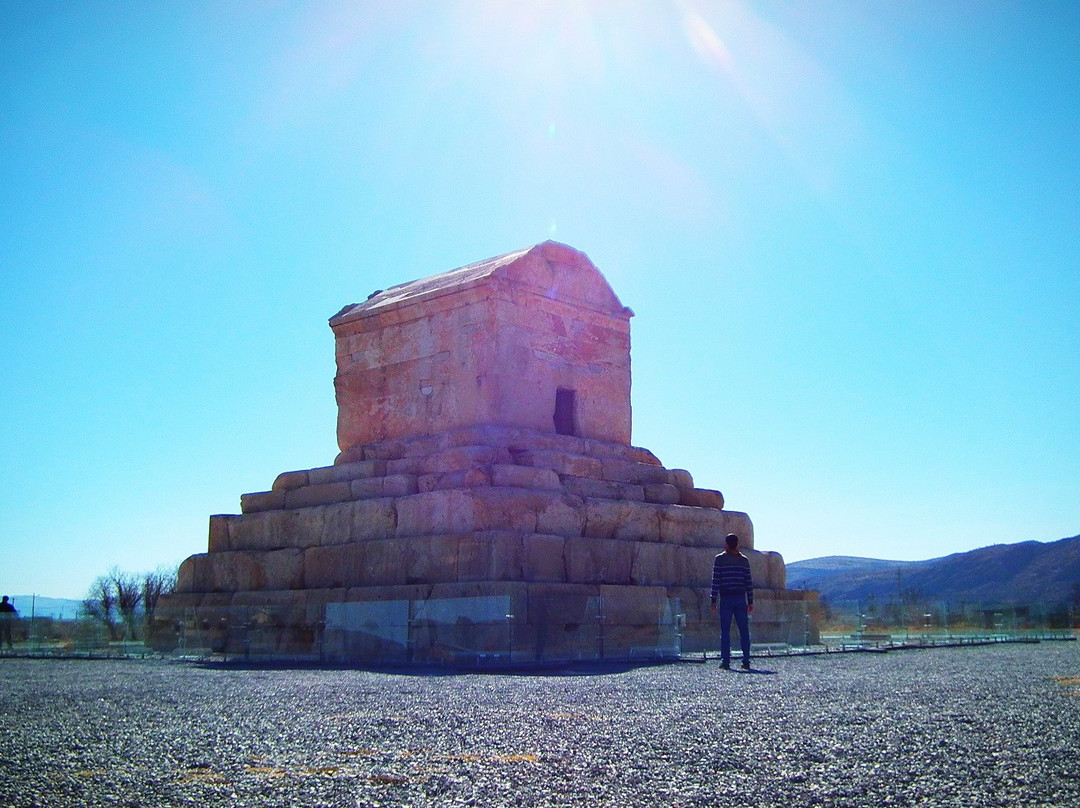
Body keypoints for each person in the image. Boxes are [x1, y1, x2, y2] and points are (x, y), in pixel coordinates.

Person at [710, 533, 754, 670]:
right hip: (741, 598)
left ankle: (726, 661)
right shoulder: (744, 560)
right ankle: (746, 660)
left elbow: (716, 580)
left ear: (726, 544)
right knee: (744, 630)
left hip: (726, 598)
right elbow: (748, 581)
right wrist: (751, 600)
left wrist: (713, 599)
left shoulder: (720, 559)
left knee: (725, 631)